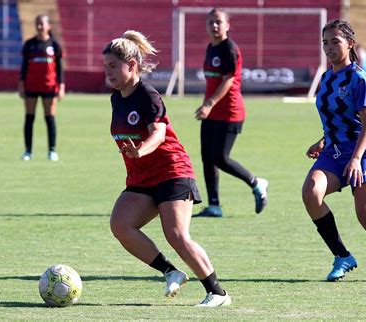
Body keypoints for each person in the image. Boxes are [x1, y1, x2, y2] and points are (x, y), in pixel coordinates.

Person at [103, 30, 231, 307]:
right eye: (106, 66)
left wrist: (141, 149)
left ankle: (218, 293)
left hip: (172, 170)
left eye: (113, 66)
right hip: (141, 177)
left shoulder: (148, 95)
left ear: (132, 65)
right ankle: (171, 271)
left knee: (176, 234)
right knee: (121, 225)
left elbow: (159, 134)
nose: (108, 72)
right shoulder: (117, 99)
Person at [302, 19, 366, 285]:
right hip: (334, 150)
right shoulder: (326, 79)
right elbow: (337, 118)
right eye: (325, 42)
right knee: (311, 193)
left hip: (363, 150)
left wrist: (357, 159)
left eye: (335, 41)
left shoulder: (358, 77)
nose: (329, 47)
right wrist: (322, 141)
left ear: (350, 43)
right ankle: (342, 256)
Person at [193, 8, 268, 218]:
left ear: (227, 25)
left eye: (218, 22)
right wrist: (207, 106)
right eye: (211, 22)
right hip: (211, 112)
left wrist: (209, 103)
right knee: (207, 158)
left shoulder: (229, 49)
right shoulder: (210, 48)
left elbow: (228, 79)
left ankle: (256, 182)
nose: (214, 26)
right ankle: (214, 205)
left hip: (230, 111)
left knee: (220, 157)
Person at [18, 14, 65, 161]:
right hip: (31, 85)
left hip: (49, 86)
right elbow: (24, 66)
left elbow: (59, 68)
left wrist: (61, 86)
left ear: (48, 26)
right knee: (29, 117)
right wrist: (21, 84)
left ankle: (52, 151)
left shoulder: (55, 46)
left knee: (49, 117)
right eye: (37, 24)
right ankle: (28, 152)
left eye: (42, 24)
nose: (39, 27)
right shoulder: (29, 44)